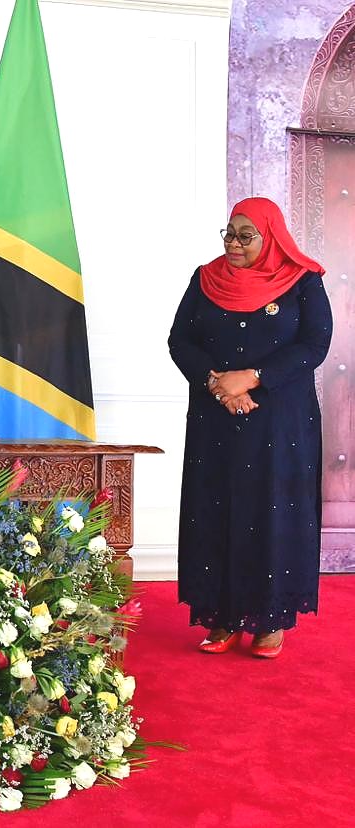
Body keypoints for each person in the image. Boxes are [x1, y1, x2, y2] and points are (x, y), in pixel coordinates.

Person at [168, 196, 332, 658]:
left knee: (273, 512)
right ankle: (221, 617)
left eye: (246, 236)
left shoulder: (302, 281)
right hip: (215, 419)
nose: (233, 244)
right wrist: (219, 385)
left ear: (271, 236)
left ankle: (269, 620)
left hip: (280, 423)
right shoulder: (206, 279)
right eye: (229, 234)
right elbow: (180, 339)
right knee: (215, 509)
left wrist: (254, 377)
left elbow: (315, 343)